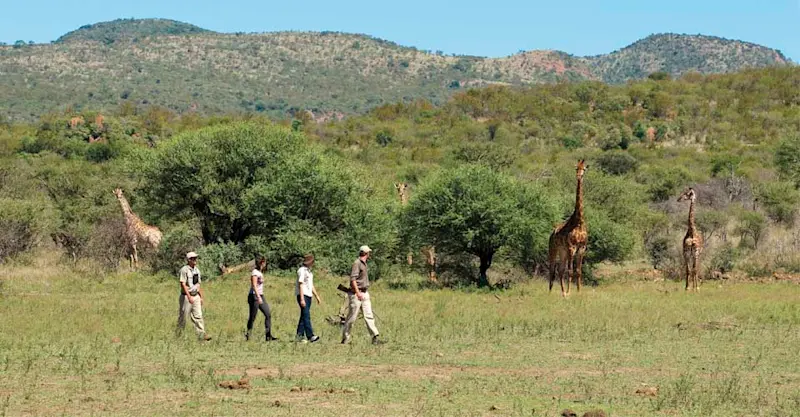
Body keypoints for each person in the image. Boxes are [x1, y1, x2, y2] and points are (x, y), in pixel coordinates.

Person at [342, 246, 384, 345]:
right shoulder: (357, 263)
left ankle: (375, 337)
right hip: (357, 294)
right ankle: (345, 338)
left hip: (365, 292)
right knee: (352, 318)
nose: (369, 254)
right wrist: (357, 293)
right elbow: (353, 280)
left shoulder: (364, 264)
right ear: (366, 253)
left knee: (369, 315)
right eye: (369, 252)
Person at [176, 251, 212, 341]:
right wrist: (189, 297)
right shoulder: (184, 270)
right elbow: (183, 284)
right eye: (193, 258)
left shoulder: (197, 270)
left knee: (198, 316)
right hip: (186, 296)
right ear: (188, 260)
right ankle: (178, 336)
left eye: (195, 258)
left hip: (196, 296)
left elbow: (198, 284)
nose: (195, 260)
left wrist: (201, 297)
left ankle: (201, 335)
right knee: (183, 317)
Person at [246, 255, 278, 342]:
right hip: (254, 296)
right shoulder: (255, 272)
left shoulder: (260, 272)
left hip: (260, 295)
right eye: (265, 262)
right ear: (262, 263)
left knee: (268, 314)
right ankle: (248, 335)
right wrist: (258, 297)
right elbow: (254, 285)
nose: (265, 264)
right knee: (252, 317)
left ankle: (268, 336)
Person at [296, 254, 322, 343]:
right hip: (303, 295)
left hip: (308, 295)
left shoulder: (309, 272)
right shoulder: (302, 271)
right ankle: (310, 336)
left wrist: (317, 296)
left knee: (303, 316)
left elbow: (311, 285)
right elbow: (301, 284)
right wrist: (302, 299)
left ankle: (299, 336)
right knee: (306, 315)